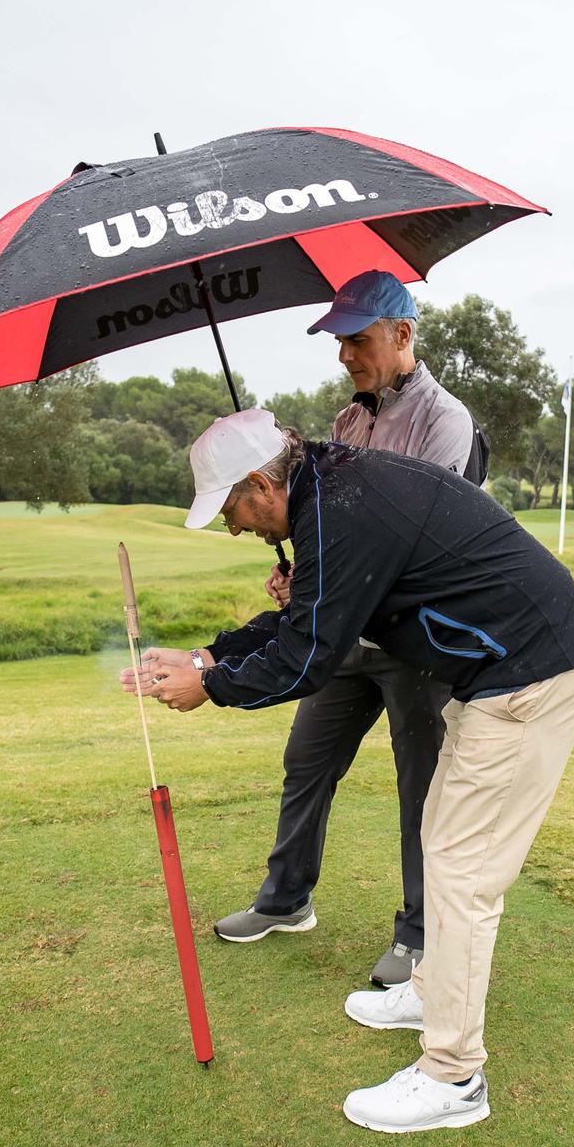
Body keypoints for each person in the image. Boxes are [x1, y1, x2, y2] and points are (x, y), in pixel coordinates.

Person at [120, 409, 574, 1133]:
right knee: (444, 838)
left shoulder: (338, 510)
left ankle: (454, 1075)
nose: (233, 526)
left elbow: (308, 659)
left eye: (233, 508)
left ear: (260, 482)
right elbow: (307, 622)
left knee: (462, 869)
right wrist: (207, 656)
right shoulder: (325, 492)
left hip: (531, 672)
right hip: (500, 673)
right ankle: (431, 988)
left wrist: (210, 686)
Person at [210, 270, 478, 990]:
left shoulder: (446, 422)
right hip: (351, 638)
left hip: (418, 642)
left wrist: (334, 582)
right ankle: (286, 898)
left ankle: (421, 935)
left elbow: (418, 541)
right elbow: (335, 529)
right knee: (307, 759)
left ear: (401, 335)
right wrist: (305, 573)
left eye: (356, 340)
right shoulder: (346, 423)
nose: (345, 355)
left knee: (421, 787)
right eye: (338, 341)